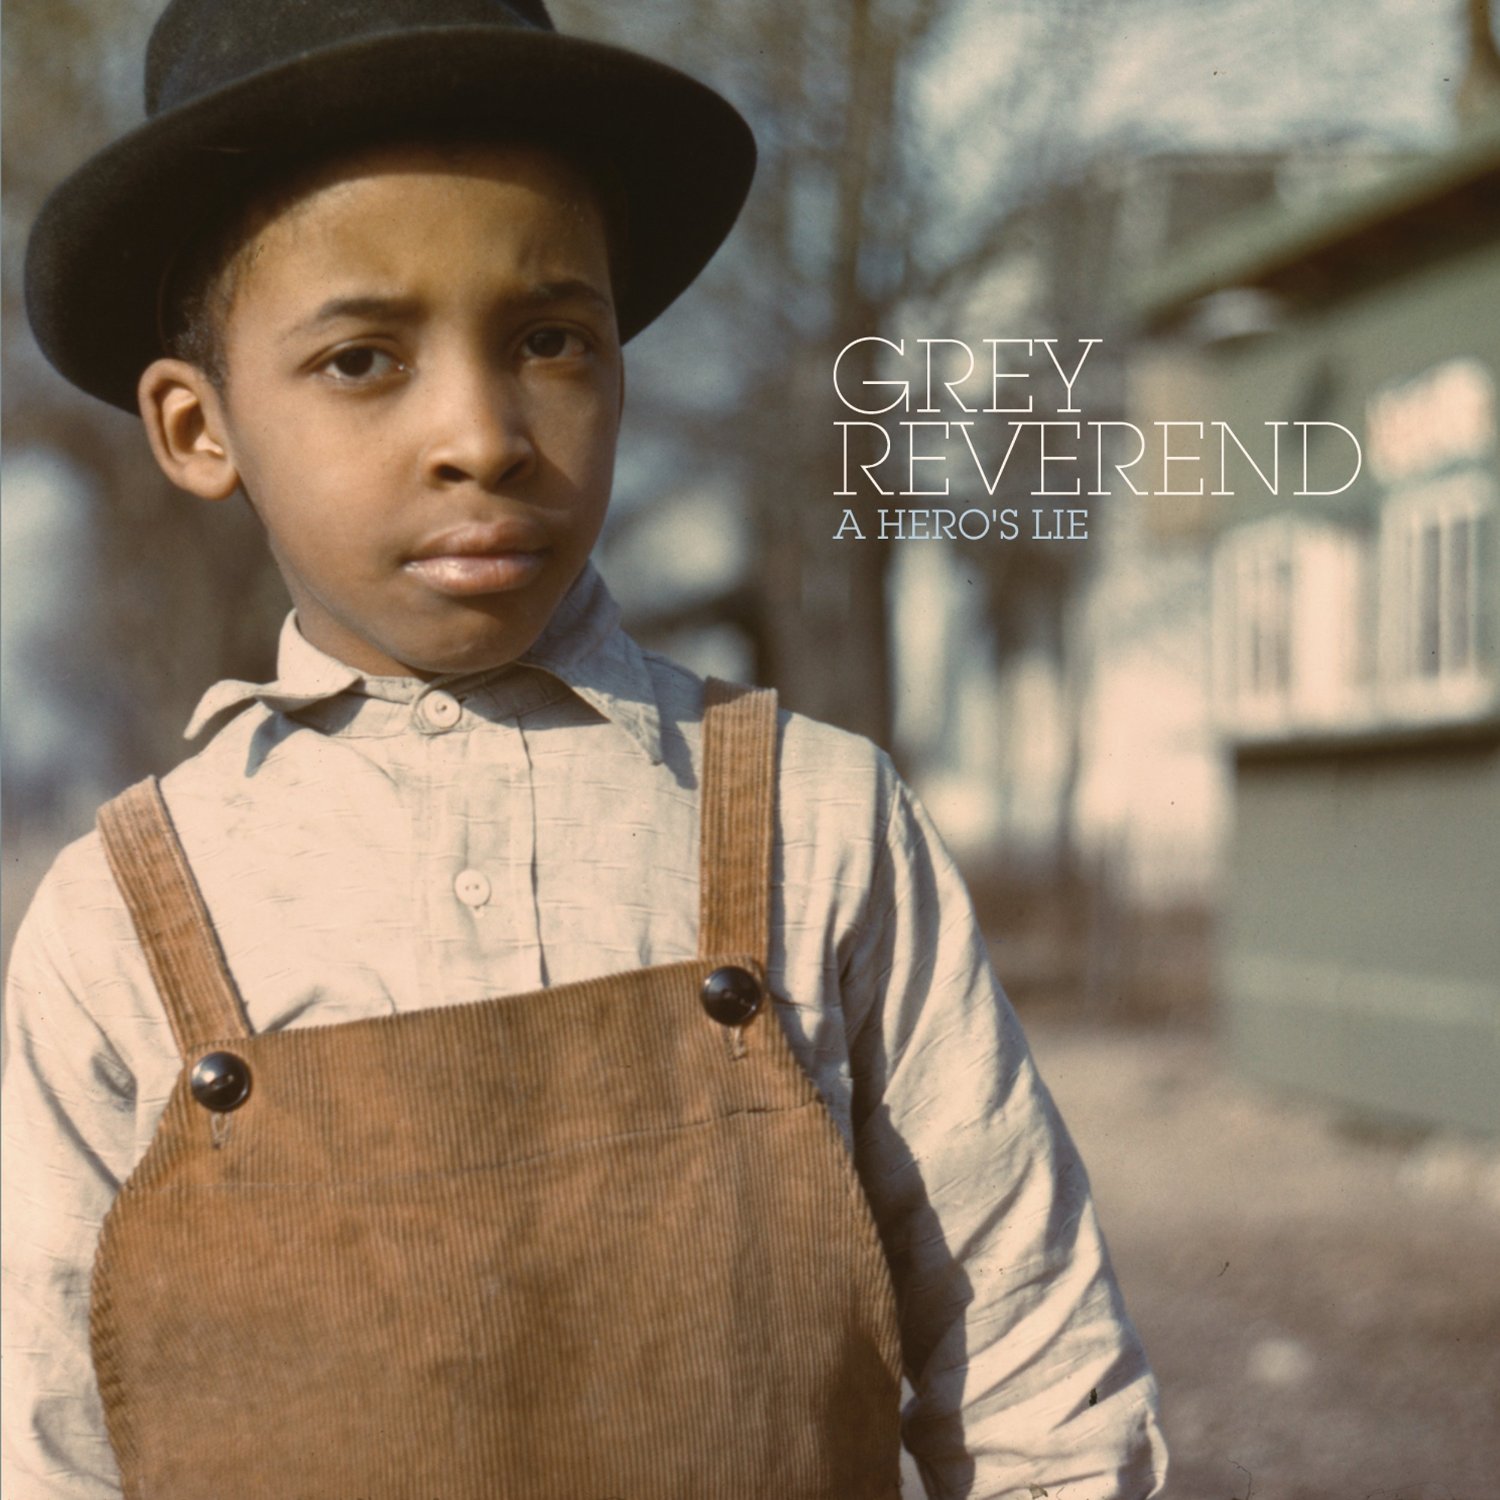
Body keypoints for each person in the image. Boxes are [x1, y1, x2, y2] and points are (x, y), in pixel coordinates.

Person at [3, 0, 1169, 1495]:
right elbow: (48, 1443)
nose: (483, 434)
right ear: (196, 428)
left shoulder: (815, 821)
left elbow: (1038, 1383)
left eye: (549, 339)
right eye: (362, 359)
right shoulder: (120, 923)